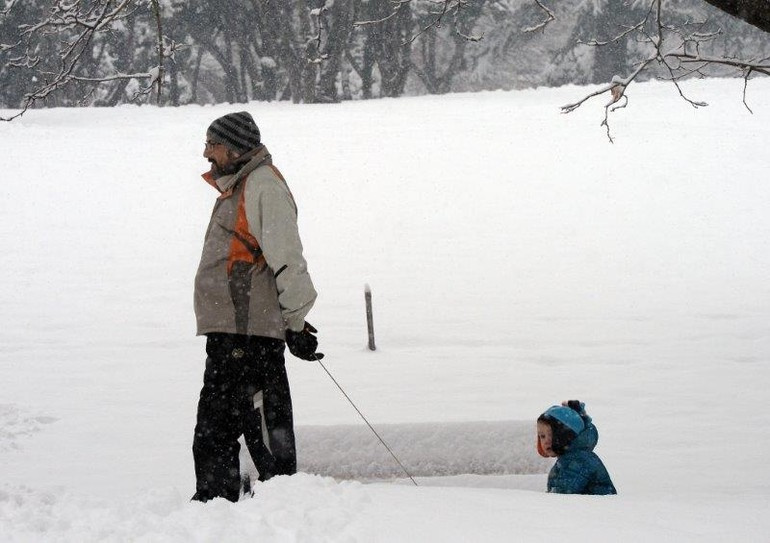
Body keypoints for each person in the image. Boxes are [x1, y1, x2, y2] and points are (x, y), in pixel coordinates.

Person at [191, 111, 323, 502]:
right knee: (216, 429)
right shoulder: (238, 186)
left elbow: (288, 259)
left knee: (261, 430)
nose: (205, 154)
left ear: (233, 148)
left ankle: (279, 509)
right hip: (231, 332)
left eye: (211, 145)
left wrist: (296, 323)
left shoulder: (262, 186)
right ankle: (217, 510)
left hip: (249, 335)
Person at [536, 400, 617, 495]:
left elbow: (563, 494)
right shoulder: (569, 458)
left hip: (598, 508)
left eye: (552, 435)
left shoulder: (579, 460)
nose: (546, 441)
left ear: (566, 436)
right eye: (542, 436)